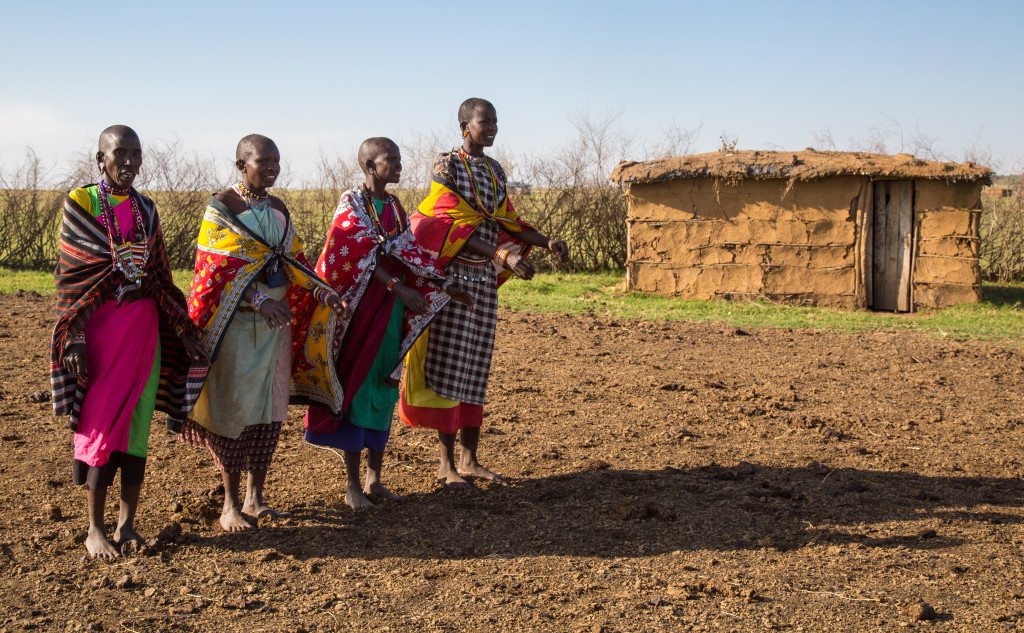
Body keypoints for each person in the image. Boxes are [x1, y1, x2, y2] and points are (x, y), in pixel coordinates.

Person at [51, 125, 207, 559]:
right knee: (103, 427)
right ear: (100, 159)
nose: (130, 163)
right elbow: (73, 279)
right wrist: (75, 338)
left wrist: (183, 328)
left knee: (137, 429)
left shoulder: (146, 209)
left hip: (142, 333)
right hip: (101, 334)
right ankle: (94, 529)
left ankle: (128, 524)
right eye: (120, 154)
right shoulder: (80, 204)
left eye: (136, 154)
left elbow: (158, 274)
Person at [291, 137, 474, 509]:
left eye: (399, 159)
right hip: (359, 310)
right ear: (369, 166)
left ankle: (375, 479)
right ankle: (352, 485)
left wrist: (444, 283)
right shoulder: (352, 204)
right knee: (356, 385)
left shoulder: (392, 205)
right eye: (391, 160)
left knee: (383, 383)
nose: (399, 166)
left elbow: (408, 250)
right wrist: (396, 286)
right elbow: (351, 254)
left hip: (389, 311)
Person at [181, 134, 347, 531]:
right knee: (235, 410)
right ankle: (230, 504)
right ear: (242, 164)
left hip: (275, 328)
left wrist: (323, 291)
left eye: (277, 160)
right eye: (264, 161)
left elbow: (294, 261)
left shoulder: (277, 208)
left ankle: (256, 498)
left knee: (269, 411)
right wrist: (258, 300)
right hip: (238, 326)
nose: (273, 167)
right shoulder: (221, 209)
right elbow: (216, 273)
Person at [399, 99, 568, 487]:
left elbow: (505, 218)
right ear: (464, 126)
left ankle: (470, 459)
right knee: (450, 364)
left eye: (495, 121)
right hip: (455, 280)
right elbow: (445, 219)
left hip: (483, 282)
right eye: (484, 121)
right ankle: (446, 464)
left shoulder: (494, 170)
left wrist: (546, 242)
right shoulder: (447, 164)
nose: (492, 127)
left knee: (476, 365)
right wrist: (500, 253)